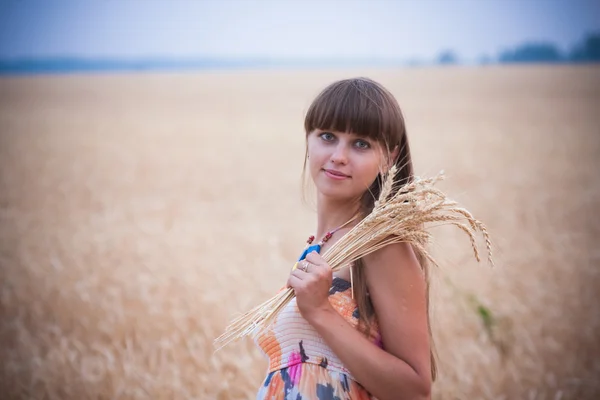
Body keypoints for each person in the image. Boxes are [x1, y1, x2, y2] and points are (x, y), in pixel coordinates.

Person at [254, 77, 434, 400]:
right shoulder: (322, 242)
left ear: (389, 158)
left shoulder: (381, 246)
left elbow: (416, 390)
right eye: (327, 136)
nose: (338, 155)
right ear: (308, 140)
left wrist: (321, 312)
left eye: (361, 143)